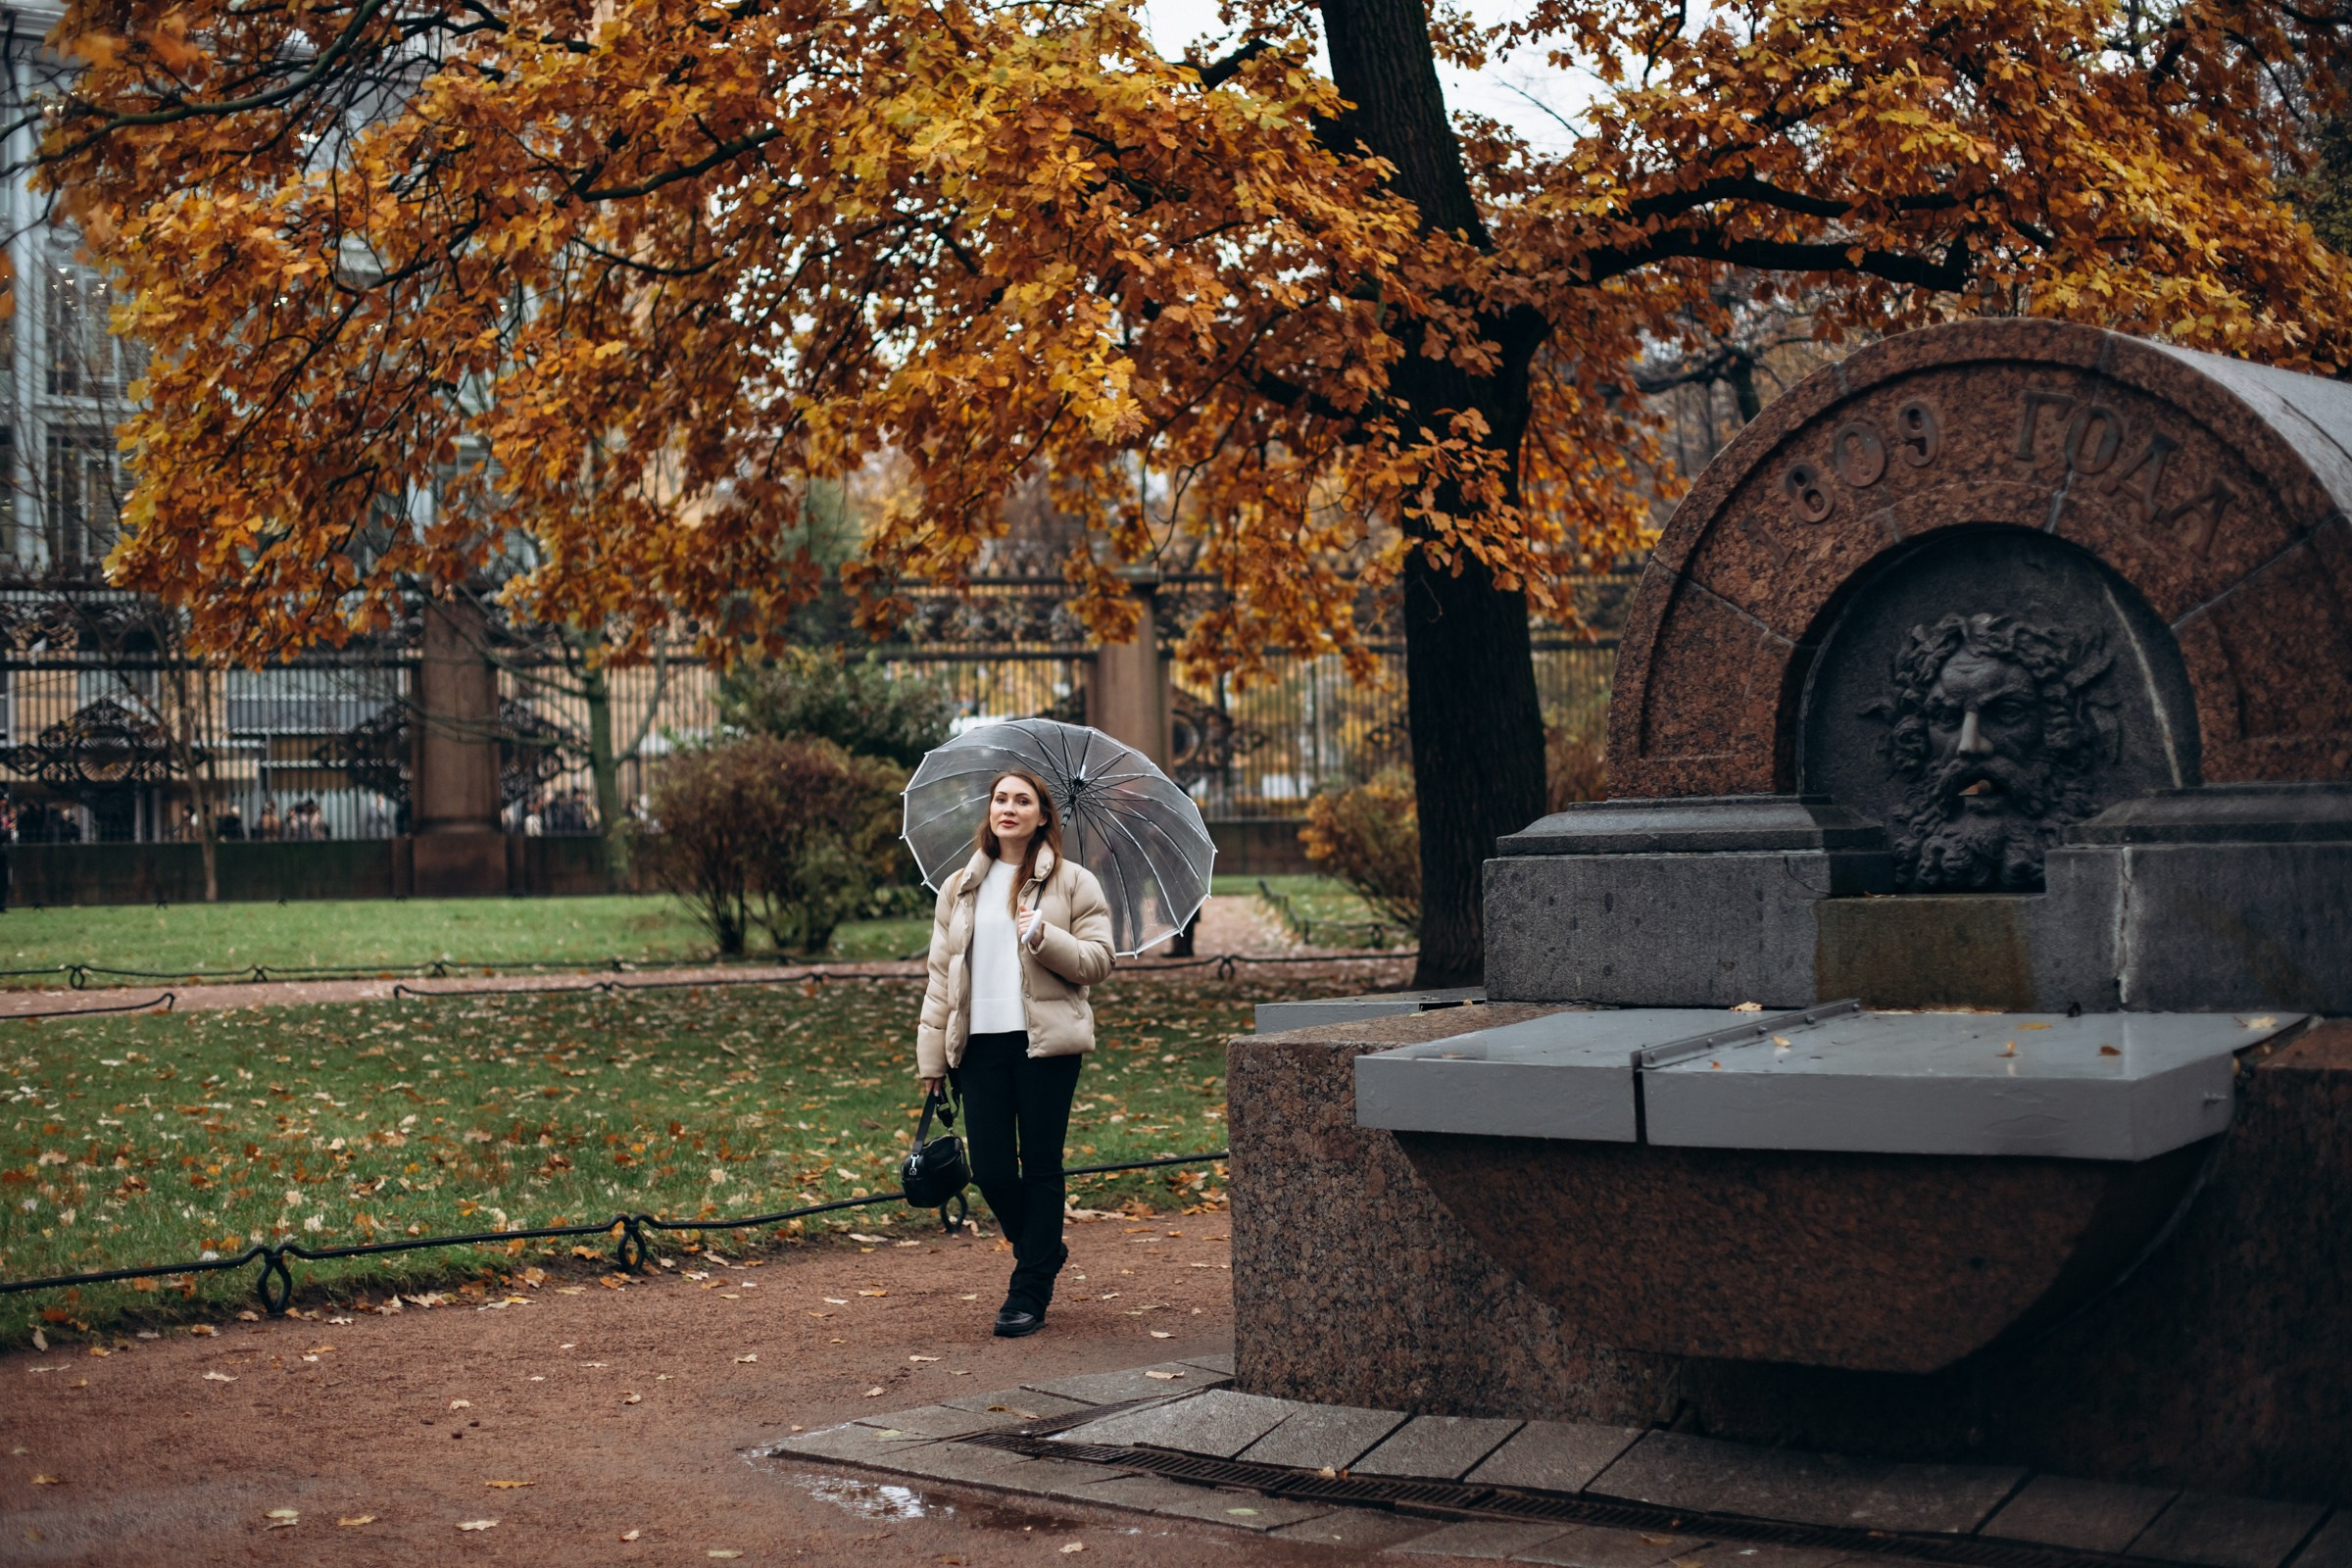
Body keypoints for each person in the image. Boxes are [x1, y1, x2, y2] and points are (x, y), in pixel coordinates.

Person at [916, 770, 1113, 1339]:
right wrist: (933, 1057)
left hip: (1046, 1046)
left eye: (1022, 801)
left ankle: (1028, 1291)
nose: (1008, 808)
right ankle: (1043, 1249)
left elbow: (1099, 962)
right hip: (979, 1046)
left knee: (1042, 1165)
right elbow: (938, 977)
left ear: (1043, 816)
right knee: (995, 1169)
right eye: (1001, 799)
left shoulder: (1074, 884)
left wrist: (1042, 936)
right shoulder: (960, 887)